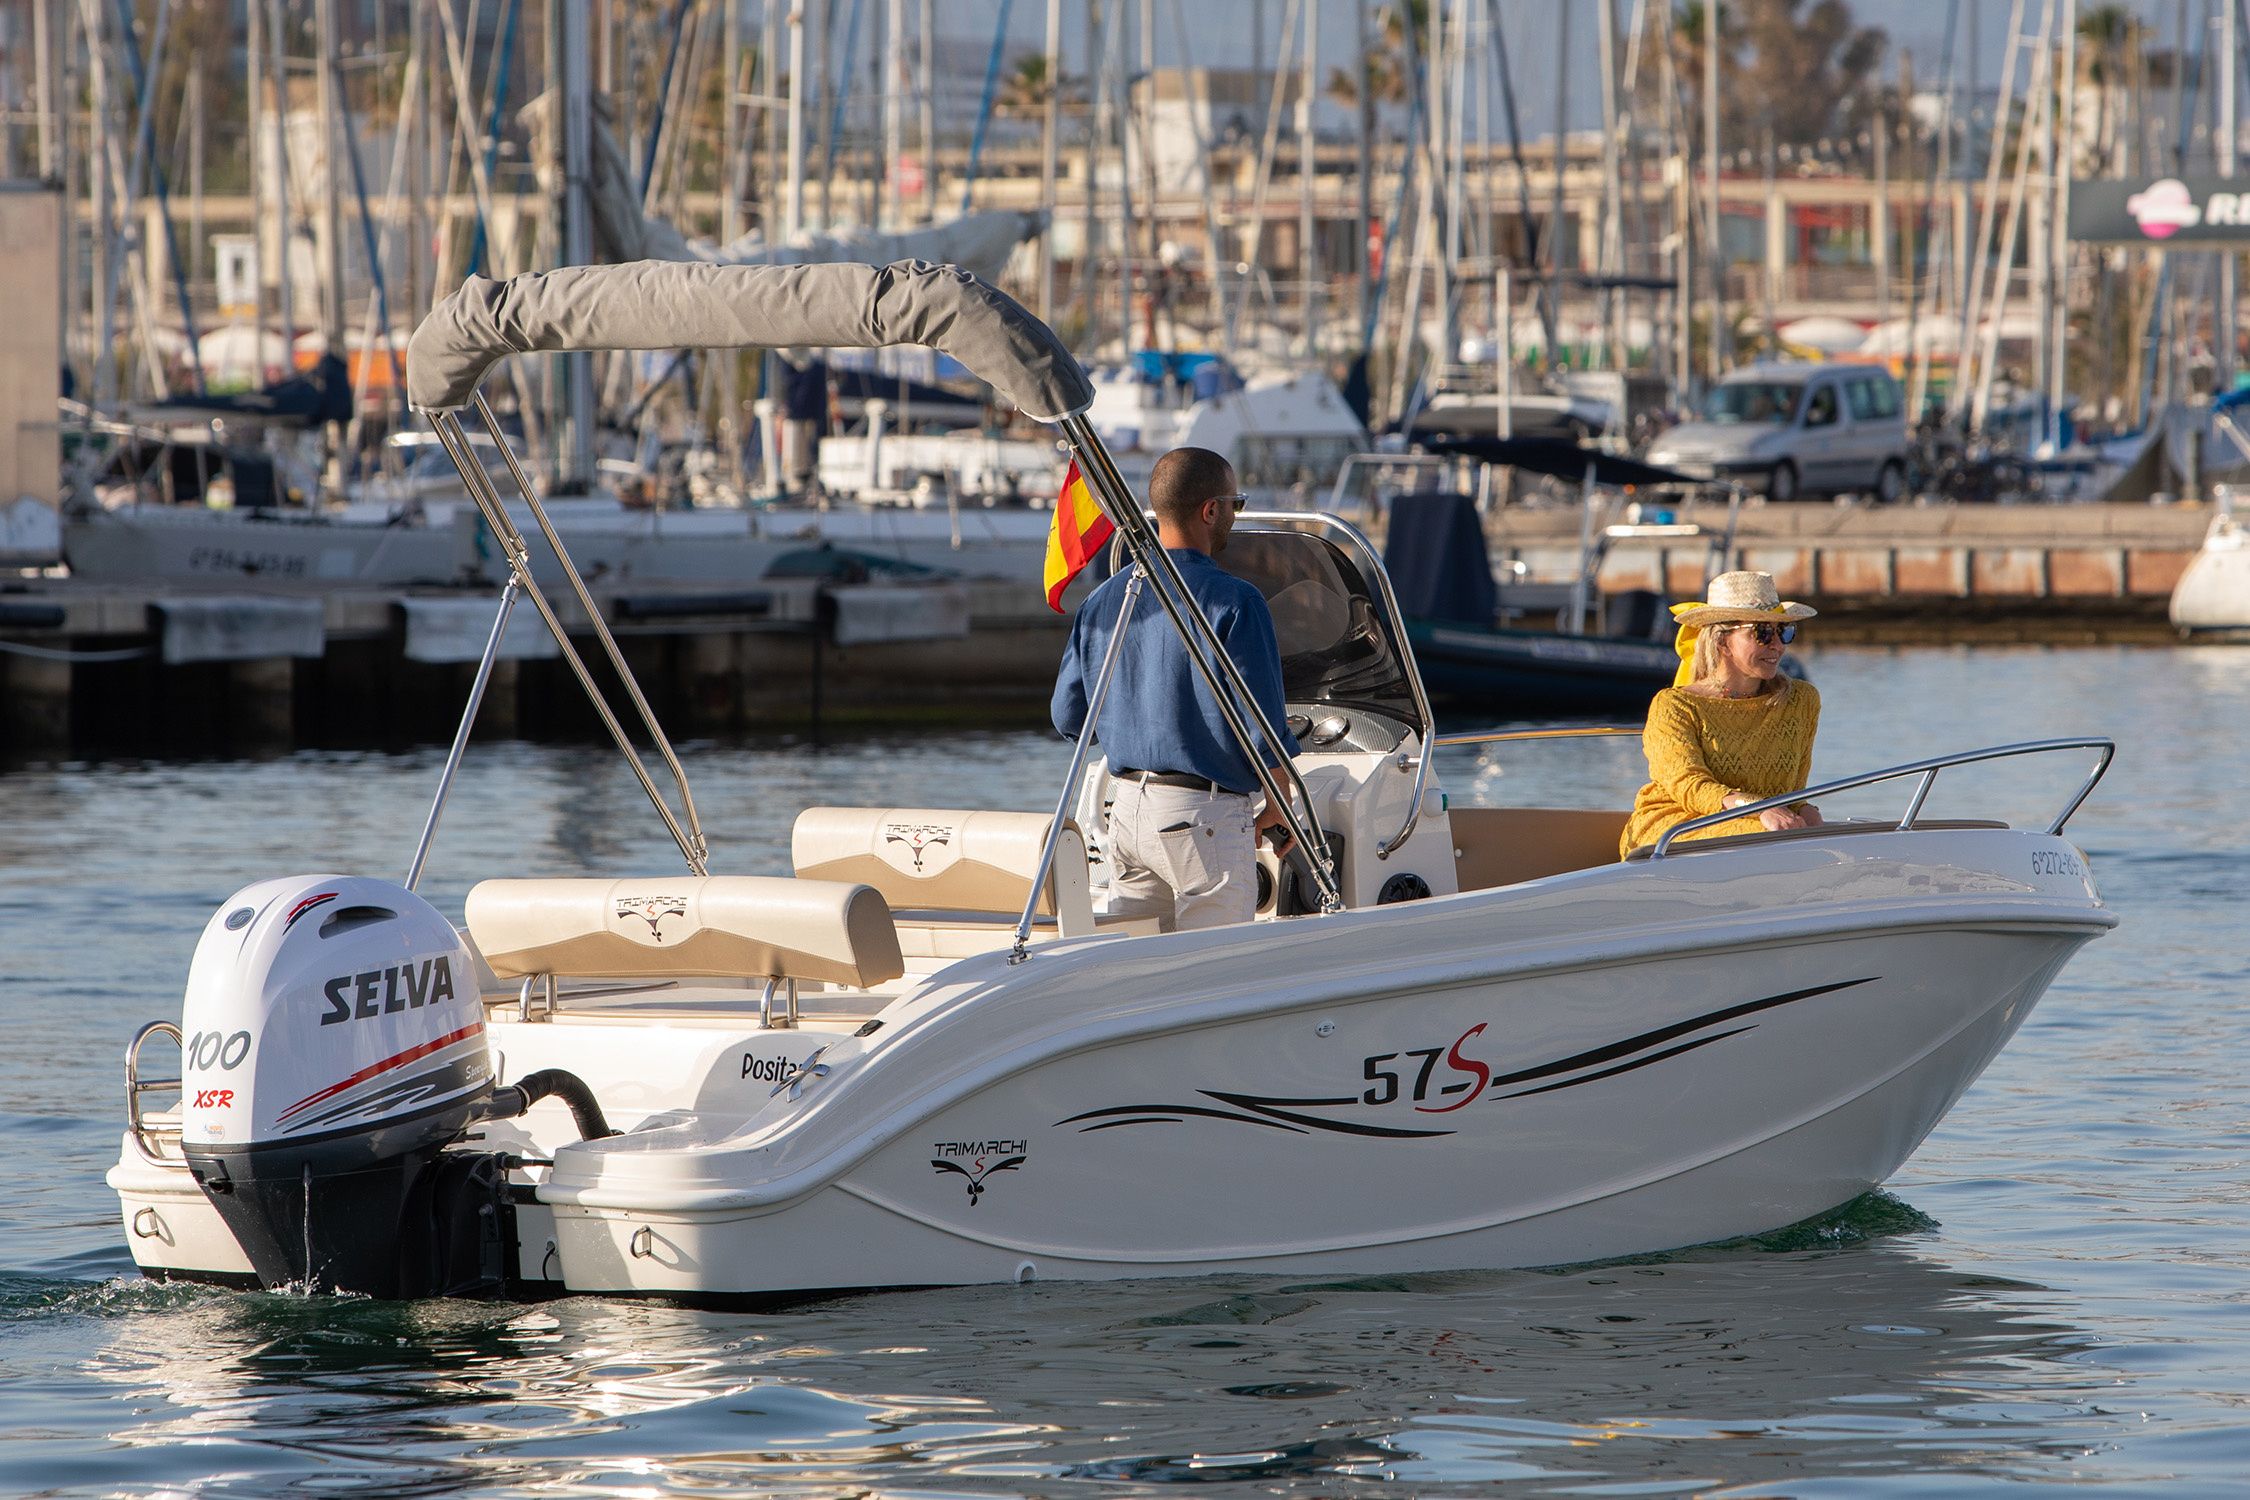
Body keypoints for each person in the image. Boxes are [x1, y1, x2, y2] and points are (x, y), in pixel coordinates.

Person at [1051, 447, 1299, 931]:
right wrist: (1280, 800)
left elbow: (1069, 718)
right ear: (1211, 510)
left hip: (1125, 815)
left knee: (1139, 974)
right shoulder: (1237, 602)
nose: (1234, 514)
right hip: (1201, 820)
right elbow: (1262, 726)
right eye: (1235, 503)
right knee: (1219, 977)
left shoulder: (1103, 600)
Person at [1619, 571, 1823, 858]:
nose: (1777, 645)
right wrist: (1760, 809)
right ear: (1722, 641)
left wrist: (1806, 810)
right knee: (1766, 837)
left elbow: (1791, 790)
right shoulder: (1675, 705)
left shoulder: (1802, 700)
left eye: (1784, 631)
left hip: (1763, 826)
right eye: (1762, 632)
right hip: (1675, 827)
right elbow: (1690, 786)